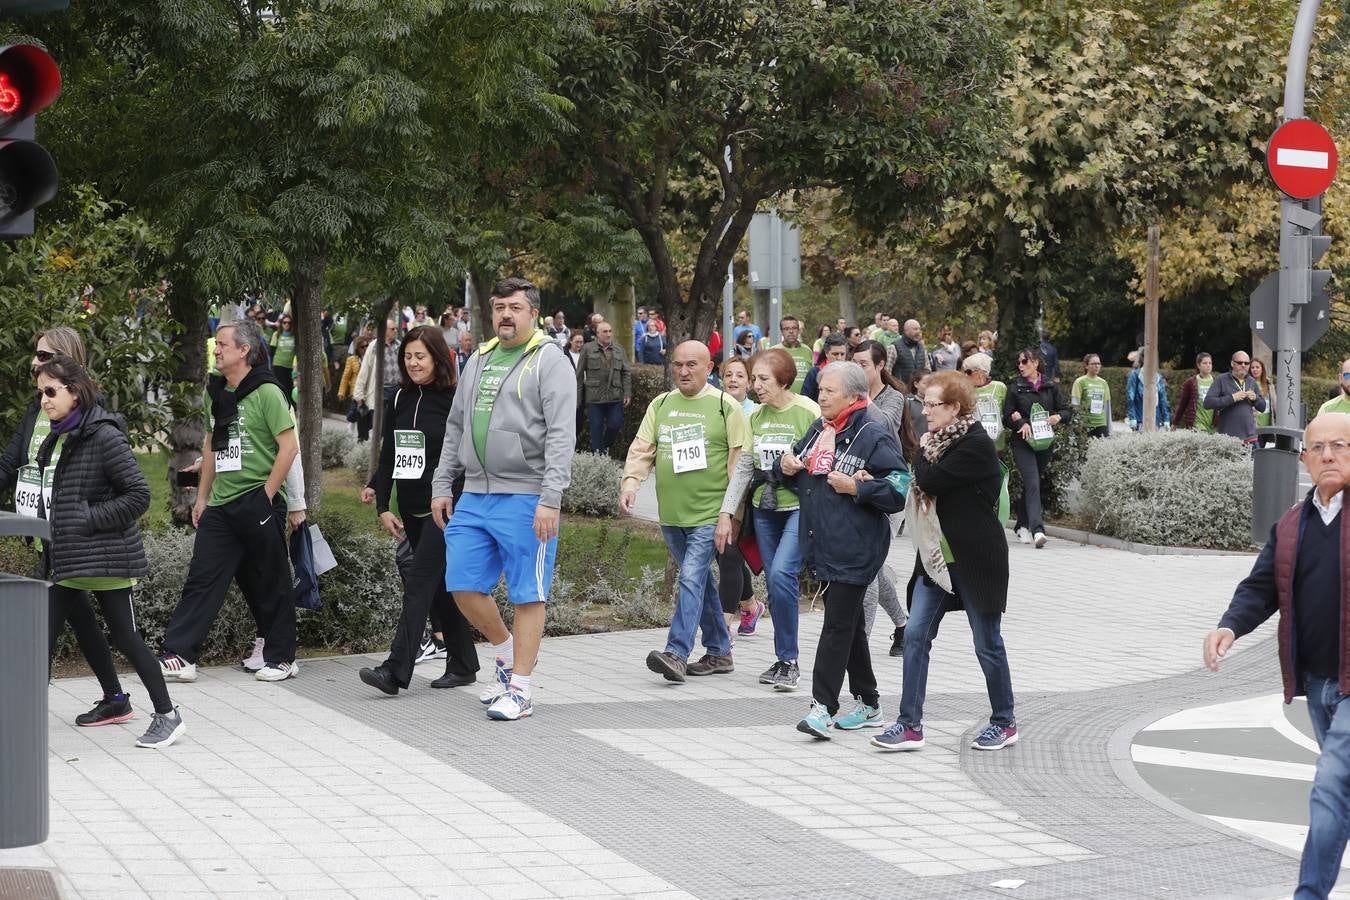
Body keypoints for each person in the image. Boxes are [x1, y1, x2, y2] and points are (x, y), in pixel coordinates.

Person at [1203, 413, 1350, 899]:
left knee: (1331, 785)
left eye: (1340, 446)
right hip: (1319, 684)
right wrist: (1229, 626)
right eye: (1318, 448)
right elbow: (1261, 587)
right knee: (1342, 791)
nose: (1328, 455)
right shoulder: (1293, 523)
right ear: (1304, 458)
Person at [430, 277, 576, 721]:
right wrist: (442, 483)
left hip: (528, 496)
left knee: (528, 594)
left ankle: (521, 689)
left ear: (533, 312)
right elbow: (455, 425)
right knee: (461, 584)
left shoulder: (550, 360)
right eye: (499, 307)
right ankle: (506, 652)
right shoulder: (480, 358)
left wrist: (551, 497)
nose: (505, 314)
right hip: (475, 492)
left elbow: (561, 434)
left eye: (514, 307)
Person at [35, 357, 186, 749]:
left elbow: (138, 495)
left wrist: (87, 517)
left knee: (127, 637)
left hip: (105, 557)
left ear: (74, 390)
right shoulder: (62, 436)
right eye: (41, 393)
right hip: (70, 560)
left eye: (51, 392)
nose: (44, 401)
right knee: (38, 638)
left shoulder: (103, 435)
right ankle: (20, 722)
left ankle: (168, 715)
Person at [872, 370, 1017, 753]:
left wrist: (921, 450)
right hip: (935, 560)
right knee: (916, 634)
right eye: (923, 402)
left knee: (987, 643)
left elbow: (932, 481)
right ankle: (909, 724)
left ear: (955, 407)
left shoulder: (976, 444)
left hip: (976, 559)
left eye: (933, 404)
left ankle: (1004, 721)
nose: (925, 411)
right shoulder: (937, 440)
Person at [158, 318, 302, 683]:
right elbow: (212, 445)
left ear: (244, 351)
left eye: (222, 344)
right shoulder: (216, 392)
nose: (216, 349)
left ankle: (282, 657)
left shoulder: (268, 391)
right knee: (203, 578)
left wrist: (267, 496)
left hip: (259, 501)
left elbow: (289, 448)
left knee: (270, 580)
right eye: (215, 344)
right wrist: (202, 498)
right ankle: (181, 654)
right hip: (221, 504)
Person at [775, 361, 908, 739]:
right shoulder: (822, 428)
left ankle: (822, 707)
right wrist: (785, 465)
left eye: (829, 391)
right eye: (820, 390)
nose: (821, 397)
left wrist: (858, 488)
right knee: (847, 627)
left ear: (853, 395)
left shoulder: (873, 432)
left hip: (858, 546)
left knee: (836, 625)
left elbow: (898, 489)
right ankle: (869, 703)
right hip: (824, 543)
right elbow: (797, 465)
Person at [357, 326, 479, 696]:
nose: (412, 363)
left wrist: (456, 499)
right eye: (408, 356)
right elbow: (391, 454)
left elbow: (465, 458)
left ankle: (395, 671)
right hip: (410, 510)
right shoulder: (398, 399)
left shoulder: (455, 400)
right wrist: (380, 499)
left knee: (420, 584)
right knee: (440, 590)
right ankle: (463, 663)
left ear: (437, 358)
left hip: (445, 510)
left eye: (420, 356)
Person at [622, 341, 750, 683]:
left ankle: (676, 653)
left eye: (692, 364)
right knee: (702, 582)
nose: (683, 371)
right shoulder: (661, 404)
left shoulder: (726, 407)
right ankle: (720, 652)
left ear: (710, 368)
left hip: (709, 514)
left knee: (691, 577)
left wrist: (731, 514)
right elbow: (642, 448)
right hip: (672, 515)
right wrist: (631, 483)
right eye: (678, 364)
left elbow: (739, 467)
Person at [718, 350, 819, 689]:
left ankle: (790, 662)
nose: (755, 385)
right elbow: (746, 466)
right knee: (777, 587)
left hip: (798, 507)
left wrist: (800, 465)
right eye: (754, 378)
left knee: (781, 574)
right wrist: (727, 512)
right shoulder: (755, 417)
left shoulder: (808, 411)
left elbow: (823, 459)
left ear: (784, 382)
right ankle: (783, 659)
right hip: (764, 508)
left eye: (763, 380)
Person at [851, 341, 916, 657]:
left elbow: (886, 425)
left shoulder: (894, 397)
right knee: (872, 565)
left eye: (863, 364)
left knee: (870, 565)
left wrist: (860, 396)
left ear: (879, 366)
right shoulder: (847, 396)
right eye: (854, 363)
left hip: (888, 487)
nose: (857, 369)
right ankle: (904, 625)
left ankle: (859, 643)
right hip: (855, 486)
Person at [714, 357, 764, 640]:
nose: (733, 379)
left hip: (742, 494)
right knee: (725, 555)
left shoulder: (755, 412)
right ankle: (750, 605)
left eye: (739, 375)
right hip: (713, 492)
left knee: (729, 553)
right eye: (728, 374)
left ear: (749, 382)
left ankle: (724, 626)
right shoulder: (714, 407)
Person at [1003, 347, 1071, 549]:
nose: (1020, 366)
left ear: (1035, 363)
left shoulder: (1050, 386)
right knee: (1032, 482)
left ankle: (1021, 525)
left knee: (1032, 485)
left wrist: (1058, 417)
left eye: (1024, 362)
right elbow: (1007, 415)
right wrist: (1020, 423)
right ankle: (1038, 530)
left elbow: (1066, 410)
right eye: (1019, 362)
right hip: (1022, 443)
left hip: (1044, 443)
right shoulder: (1015, 387)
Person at [575, 320, 633, 456]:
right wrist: (577, 397)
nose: (608, 334)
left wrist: (627, 393)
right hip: (594, 397)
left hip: (615, 395)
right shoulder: (588, 348)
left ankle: (605, 447)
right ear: (598, 334)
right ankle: (598, 458)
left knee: (615, 424)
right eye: (605, 332)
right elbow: (579, 375)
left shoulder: (619, 349)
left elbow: (626, 372)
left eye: (610, 331)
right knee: (596, 429)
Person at [1203, 350, 1266, 445]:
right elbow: (1207, 403)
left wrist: (1256, 398)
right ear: (1232, 363)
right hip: (1228, 438)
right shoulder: (1221, 379)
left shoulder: (1251, 381)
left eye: (1246, 363)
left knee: (1256, 460)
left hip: (1250, 437)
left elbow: (1263, 407)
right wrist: (1232, 398)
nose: (1243, 365)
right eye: (1240, 363)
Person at [964, 353, 1008, 456]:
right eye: (964, 372)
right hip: (972, 446)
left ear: (981, 372)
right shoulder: (965, 391)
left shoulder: (999, 387)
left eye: (969, 372)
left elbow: (1007, 412)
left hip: (996, 445)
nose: (965, 375)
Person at [1125, 352, 1170, 431]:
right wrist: (1132, 417)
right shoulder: (1135, 376)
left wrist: (1166, 419)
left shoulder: (1158, 377)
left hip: (1156, 420)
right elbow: (1130, 397)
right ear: (1143, 359)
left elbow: (1163, 399)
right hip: (1140, 419)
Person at [1173, 352, 1217, 432]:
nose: (1208, 365)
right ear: (1198, 365)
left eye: (1210, 363)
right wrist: (1175, 423)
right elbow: (1183, 404)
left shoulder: (1216, 382)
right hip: (1197, 423)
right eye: (1205, 363)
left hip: (1212, 424)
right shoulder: (1191, 382)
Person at [1071, 354, 1111, 438]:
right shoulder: (1079, 382)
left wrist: (1109, 427)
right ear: (1086, 366)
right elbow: (1075, 404)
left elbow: (1107, 406)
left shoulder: (1103, 383)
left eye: (1098, 364)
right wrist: (1077, 424)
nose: (1096, 366)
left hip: (1101, 424)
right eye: (1093, 364)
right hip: (1085, 425)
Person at [771, 315, 814, 394]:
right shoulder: (773, 351)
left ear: (798, 330)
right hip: (781, 400)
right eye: (786, 329)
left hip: (804, 399)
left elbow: (812, 376)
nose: (791, 331)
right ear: (781, 332)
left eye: (794, 328)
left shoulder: (807, 350)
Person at [338, 336, 371, 439]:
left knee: (365, 414)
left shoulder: (371, 359)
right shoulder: (352, 360)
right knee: (356, 411)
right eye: (362, 347)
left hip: (369, 392)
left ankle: (362, 432)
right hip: (356, 392)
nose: (365, 349)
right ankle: (352, 425)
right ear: (357, 348)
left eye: (367, 346)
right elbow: (345, 377)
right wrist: (341, 392)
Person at [803, 335, 847, 402]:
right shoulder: (814, 373)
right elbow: (805, 401)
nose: (839, 358)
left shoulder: (850, 374)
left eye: (842, 354)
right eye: (835, 354)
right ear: (826, 353)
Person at [891, 319, 930, 388]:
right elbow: (886, 373)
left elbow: (928, 371)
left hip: (918, 393)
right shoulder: (893, 347)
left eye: (919, 329)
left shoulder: (922, 348)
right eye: (915, 329)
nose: (918, 331)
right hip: (900, 392)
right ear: (906, 330)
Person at [269, 313, 296, 396]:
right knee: (281, 386)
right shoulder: (276, 334)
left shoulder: (295, 336)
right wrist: (271, 366)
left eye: (289, 322)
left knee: (290, 386)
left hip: (291, 365)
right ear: (281, 323)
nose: (286, 324)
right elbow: (272, 351)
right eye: (284, 322)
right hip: (278, 364)